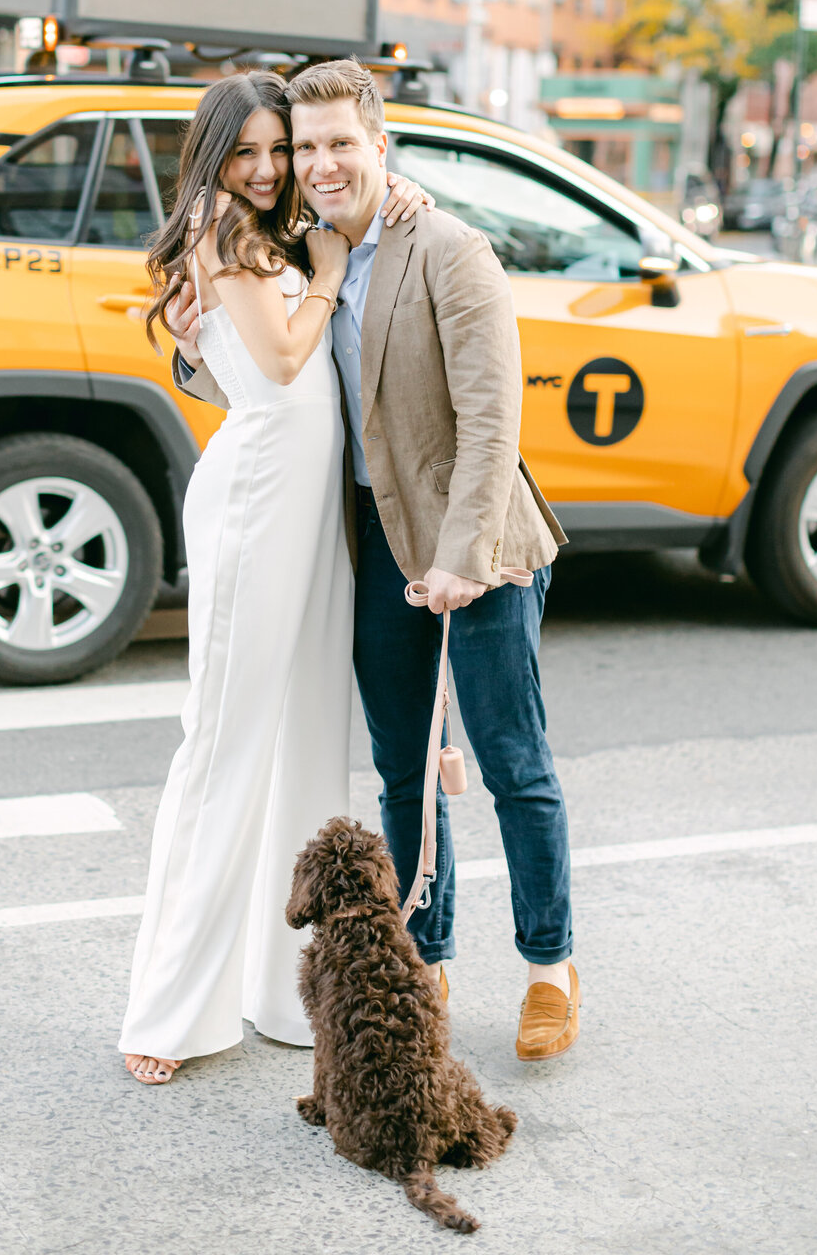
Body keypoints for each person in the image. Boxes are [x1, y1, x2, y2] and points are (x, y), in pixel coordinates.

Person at [173, 59, 577, 1063]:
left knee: (510, 761)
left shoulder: (447, 248)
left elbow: (492, 423)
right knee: (400, 772)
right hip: (372, 548)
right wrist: (188, 344)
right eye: (304, 150)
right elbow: (264, 370)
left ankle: (549, 966)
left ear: (379, 146)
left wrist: (464, 558)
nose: (318, 164)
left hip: (476, 550)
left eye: (338, 145)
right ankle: (422, 955)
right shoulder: (297, 246)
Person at [120, 72, 431, 1085]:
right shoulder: (222, 224)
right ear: (213, 155)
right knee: (221, 748)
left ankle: (272, 989)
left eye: (278, 150)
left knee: (304, 737)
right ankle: (165, 1008)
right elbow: (285, 355)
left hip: (308, 506)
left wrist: (400, 200)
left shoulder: (269, 229)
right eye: (245, 149)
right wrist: (332, 274)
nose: (265, 168)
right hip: (258, 498)